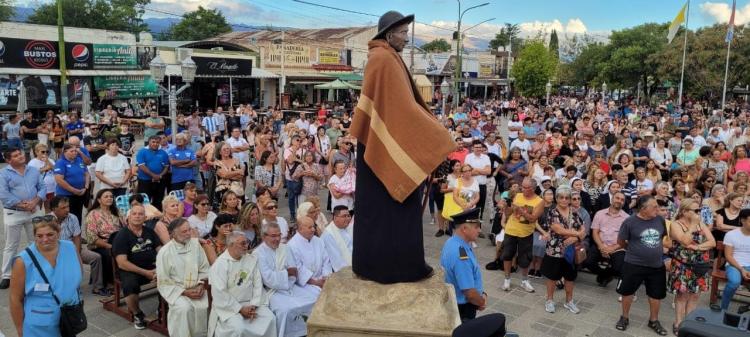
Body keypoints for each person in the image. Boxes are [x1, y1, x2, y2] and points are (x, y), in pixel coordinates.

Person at [350, 10, 454, 284]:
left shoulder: (384, 57)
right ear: (388, 34)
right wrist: (439, 136)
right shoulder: (384, 59)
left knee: (382, 212)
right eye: (403, 33)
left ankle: (375, 265)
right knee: (390, 211)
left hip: (379, 143)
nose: (406, 38)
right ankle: (398, 268)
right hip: (381, 145)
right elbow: (405, 110)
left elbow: (401, 108)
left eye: (406, 32)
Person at [9, 217, 83, 336]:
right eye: (39, 236)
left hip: (68, 318)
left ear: (58, 233)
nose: (45, 239)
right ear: (34, 236)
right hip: (39, 325)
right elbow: (15, 299)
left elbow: (78, 274)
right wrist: (20, 329)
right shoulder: (22, 261)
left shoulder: (70, 247)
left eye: (50, 234)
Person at [615, 196, 669, 335]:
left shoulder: (660, 220)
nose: (658, 209)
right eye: (654, 207)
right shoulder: (629, 222)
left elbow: (662, 237)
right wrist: (634, 250)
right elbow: (621, 242)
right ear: (643, 209)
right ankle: (624, 317)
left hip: (656, 265)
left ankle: (654, 320)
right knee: (627, 292)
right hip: (633, 264)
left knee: (655, 294)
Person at [253, 222, 318, 337]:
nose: (277, 239)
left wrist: (287, 277)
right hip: (272, 292)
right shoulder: (258, 253)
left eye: (279, 235)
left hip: (290, 286)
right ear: (264, 237)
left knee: (314, 300)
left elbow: (294, 273)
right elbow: (267, 279)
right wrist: (286, 273)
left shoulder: (285, 248)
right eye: (273, 236)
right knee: (285, 311)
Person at [209, 231, 277, 337]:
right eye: (242, 243)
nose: (246, 246)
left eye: (247, 242)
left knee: (270, 319)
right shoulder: (220, 265)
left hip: (251, 304)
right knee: (238, 328)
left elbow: (258, 284)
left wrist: (253, 304)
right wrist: (240, 309)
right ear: (231, 245)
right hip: (230, 308)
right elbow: (220, 293)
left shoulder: (251, 259)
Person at [156, 218, 211, 337]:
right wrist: (185, 292)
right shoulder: (165, 252)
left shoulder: (195, 245)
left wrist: (201, 284)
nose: (188, 234)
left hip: (198, 288)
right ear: (173, 234)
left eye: (189, 230)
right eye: (184, 232)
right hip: (178, 291)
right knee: (184, 309)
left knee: (211, 302)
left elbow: (204, 268)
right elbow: (163, 281)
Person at [0, 147, 45, 289]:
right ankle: (6, 275)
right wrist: (22, 205)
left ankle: (37, 269)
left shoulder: (33, 170)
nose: (20, 156)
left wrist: (35, 201)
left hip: (34, 210)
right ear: (8, 160)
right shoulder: (3, 173)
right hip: (13, 213)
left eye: (20, 154)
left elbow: (42, 187)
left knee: (36, 241)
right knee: (11, 245)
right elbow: (3, 194)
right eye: (15, 155)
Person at [668, 200, 715, 334]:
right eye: (695, 211)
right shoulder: (676, 224)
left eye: (698, 210)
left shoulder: (701, 223)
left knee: (695, 295)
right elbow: (684, 241)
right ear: (683, 211)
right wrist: (693, 225)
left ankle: (689, 323)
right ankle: (678, 322)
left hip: (700, 266)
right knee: (682, 296)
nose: (698, 214)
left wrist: (697, 247)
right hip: (683, 265)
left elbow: (712, 242)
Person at [112, 204, 162, 330]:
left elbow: (160, 250)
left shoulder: (149, 232)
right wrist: (146, 273)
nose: (137, 216)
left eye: (140, 214)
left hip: (152, 267)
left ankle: (162, 308)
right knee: (130, 285)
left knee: (170, 275)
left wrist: (161, 266)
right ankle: (137, 314)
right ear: (128, 217)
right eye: (134, 214)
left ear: (145, 217)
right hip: (131, 269)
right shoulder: (122, 235)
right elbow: (122, 263)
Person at [51, 195, 108, 296]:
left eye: (68, 206)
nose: (67, 210)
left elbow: (77, 238)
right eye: (63, 208)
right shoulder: (48, 221)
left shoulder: (72, 218)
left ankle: (97, 287)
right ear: (54, 209)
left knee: (96, 258)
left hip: (73, 248)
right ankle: (65, 288)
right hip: (56, 252)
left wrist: (76, 255)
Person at [542, 187, 586, 314]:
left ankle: (569, 301)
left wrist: (575, 237)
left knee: (570, 277)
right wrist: (576, 234)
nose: (564, 200)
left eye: (567, 197)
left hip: (571, 251)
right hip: (555, 250)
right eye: (561, 197)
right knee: (552, 276)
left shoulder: (575, 212)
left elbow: (584, 230)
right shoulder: (552, 212)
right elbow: (558, 229)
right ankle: (549, 300)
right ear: (556, 199)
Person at [440, 208, 487, 321]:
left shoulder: (452, 241)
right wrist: (481, 302)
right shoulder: (461, 255)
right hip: (463, 309)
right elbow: (469, 293)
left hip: (455, 303)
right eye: (476, 227)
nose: (479, 230)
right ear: (464, 228)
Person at [502, 178, 545, 293]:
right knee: (507, 255)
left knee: (525, 258)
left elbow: (532, 219)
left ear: (533, 188)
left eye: (527, 187)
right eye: (523, 187)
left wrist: (520, 210)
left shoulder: (539, 201)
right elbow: (509, 213)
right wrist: (506, 207)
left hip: (526, 233)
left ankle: (524, 280)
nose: (523, 189)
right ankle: (507, 279)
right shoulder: (517, 196)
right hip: (511, 230)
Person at [587, 192, 628, 288]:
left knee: (618, 268)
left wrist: (612, 249)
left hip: (618, 247)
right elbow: (595, 232)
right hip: (600, 244)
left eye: (622, 200)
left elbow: (625, 239)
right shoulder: (600, 214)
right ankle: (604, 275)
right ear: (611, 199)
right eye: (617, 198)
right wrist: (601, 246)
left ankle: (606, 275)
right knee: (588, 262)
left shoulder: (627, 218)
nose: (619, 201)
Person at [288, 216, 333, 296]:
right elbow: (298, 269)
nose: (313, 229)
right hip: (305, 283)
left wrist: (325, 277)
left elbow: (326, 261)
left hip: (323, 278)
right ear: (300, 229)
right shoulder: (292, 245)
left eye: (313, 226)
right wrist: (316, 282)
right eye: (310, 227)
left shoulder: (318, 241)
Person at [720, 209, 750, 310]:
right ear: (743, 220)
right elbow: (728, 256)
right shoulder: (732, 234)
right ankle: (723, 309)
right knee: (734, 282)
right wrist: (742, 269)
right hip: (734, 265)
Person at [54, 143, 89, 223]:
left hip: (80, 194)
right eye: (72, 151)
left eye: (76, 151)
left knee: (78, 216)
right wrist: (74, 190)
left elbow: (87, 174)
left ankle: (77, 234)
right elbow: (59, 180)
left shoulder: (79, 160)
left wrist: (86, 187)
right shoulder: (61, 162)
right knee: (66, 217)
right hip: (66, 195)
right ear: (65, 152)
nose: (75, 153)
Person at [135, 135, 170, 210]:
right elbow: (142, 166)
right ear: (149, 142)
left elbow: (166, 166)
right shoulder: (142, 151)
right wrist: (154, 175)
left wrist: (160, 175)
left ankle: (157, 218)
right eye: (153, 142)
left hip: (160, 181)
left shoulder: (163, 153)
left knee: (158, 200)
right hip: (145, 181)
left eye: (157, 142)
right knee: (144, 201)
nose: (155, 144)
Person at [321, 205, 353, 272]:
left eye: (348, 216)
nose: (347, 218)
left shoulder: (349, 227)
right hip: (343, 271)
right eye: (344, 216)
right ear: (335, 218)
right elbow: (337, 260)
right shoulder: (329, 234)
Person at [464, 140, 491, 219]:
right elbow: (467, 172)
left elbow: (488, 171)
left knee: (480, 207)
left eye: (480, 147)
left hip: (482, 186)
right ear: (472, 148)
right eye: (476, 147)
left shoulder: (486, 157)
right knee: (469, 205)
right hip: (470, 186)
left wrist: (475, 170)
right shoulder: (468, 157)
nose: (479, 149)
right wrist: (482, 170)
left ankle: (478, 228)